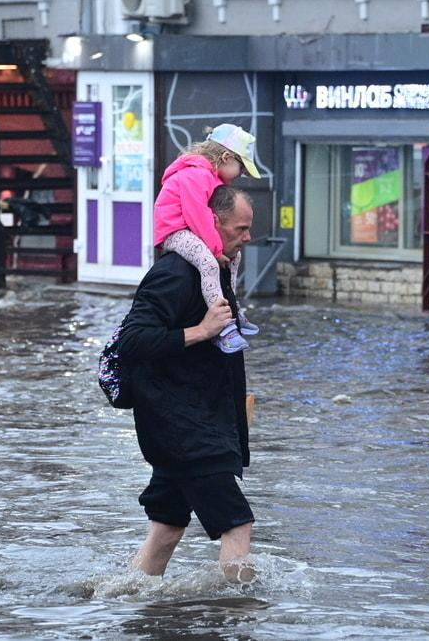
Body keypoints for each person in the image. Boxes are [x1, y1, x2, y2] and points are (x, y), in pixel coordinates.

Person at [117, 184, 256, 584]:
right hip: (185, 429)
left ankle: (124, 598)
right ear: (212, 222)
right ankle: (236, 615)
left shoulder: (214, 268)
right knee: (237, 524)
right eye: (240, 229)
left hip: (193, 422)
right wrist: (200, 330)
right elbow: (133, 340)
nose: (247, 237)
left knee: (168, 526)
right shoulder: (175, 272)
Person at [154, 124, 262, 354]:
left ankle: (232, 309)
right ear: (226, 157)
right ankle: (223, 326)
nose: (241, 175)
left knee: (235, 255)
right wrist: (215, 249)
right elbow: (197, 215)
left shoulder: (210, 177)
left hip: (190, 230)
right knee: (209, 262)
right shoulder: (196, 174)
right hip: (174, 231)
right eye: (241, 168)